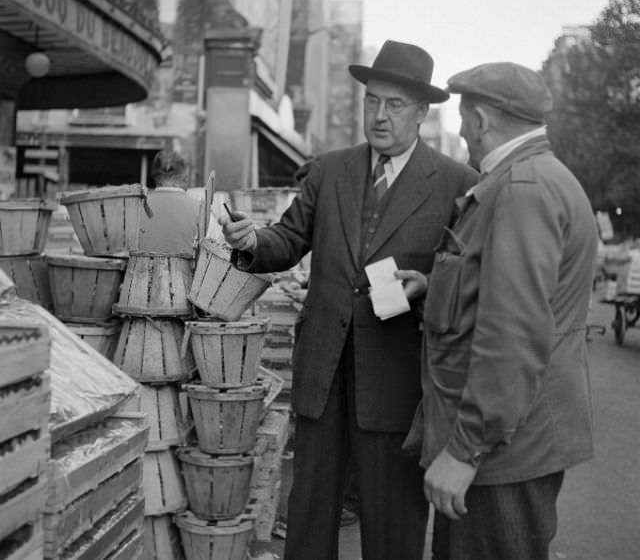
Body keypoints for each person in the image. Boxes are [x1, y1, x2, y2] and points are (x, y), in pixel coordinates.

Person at [222, 39, 477, 560]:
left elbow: (469, 284)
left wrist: (427, 289)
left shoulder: (457, 184)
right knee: (311, 512)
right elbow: (289, 239)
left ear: (422, 113)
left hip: (396, 380)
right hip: (324, 370)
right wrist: (252, 242)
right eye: (371, 101)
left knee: (393, 521)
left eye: (394, 105)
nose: (379, 116)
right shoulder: (329, 170)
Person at [415, 62, 598, 560]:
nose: (460, 131)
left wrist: (464, 449)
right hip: (513, 442)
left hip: (503, 451)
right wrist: (434, 287)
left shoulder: (522, 188)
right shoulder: (532, 179)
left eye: (463, 118)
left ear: (483, 119)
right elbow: (503, 292)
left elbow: (513, 334)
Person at [138, 149, 203, 254]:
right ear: (185, 175)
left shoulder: (134, 208)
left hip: (138, 270)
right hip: (186, 270)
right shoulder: (202, 210)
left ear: (154, 175)